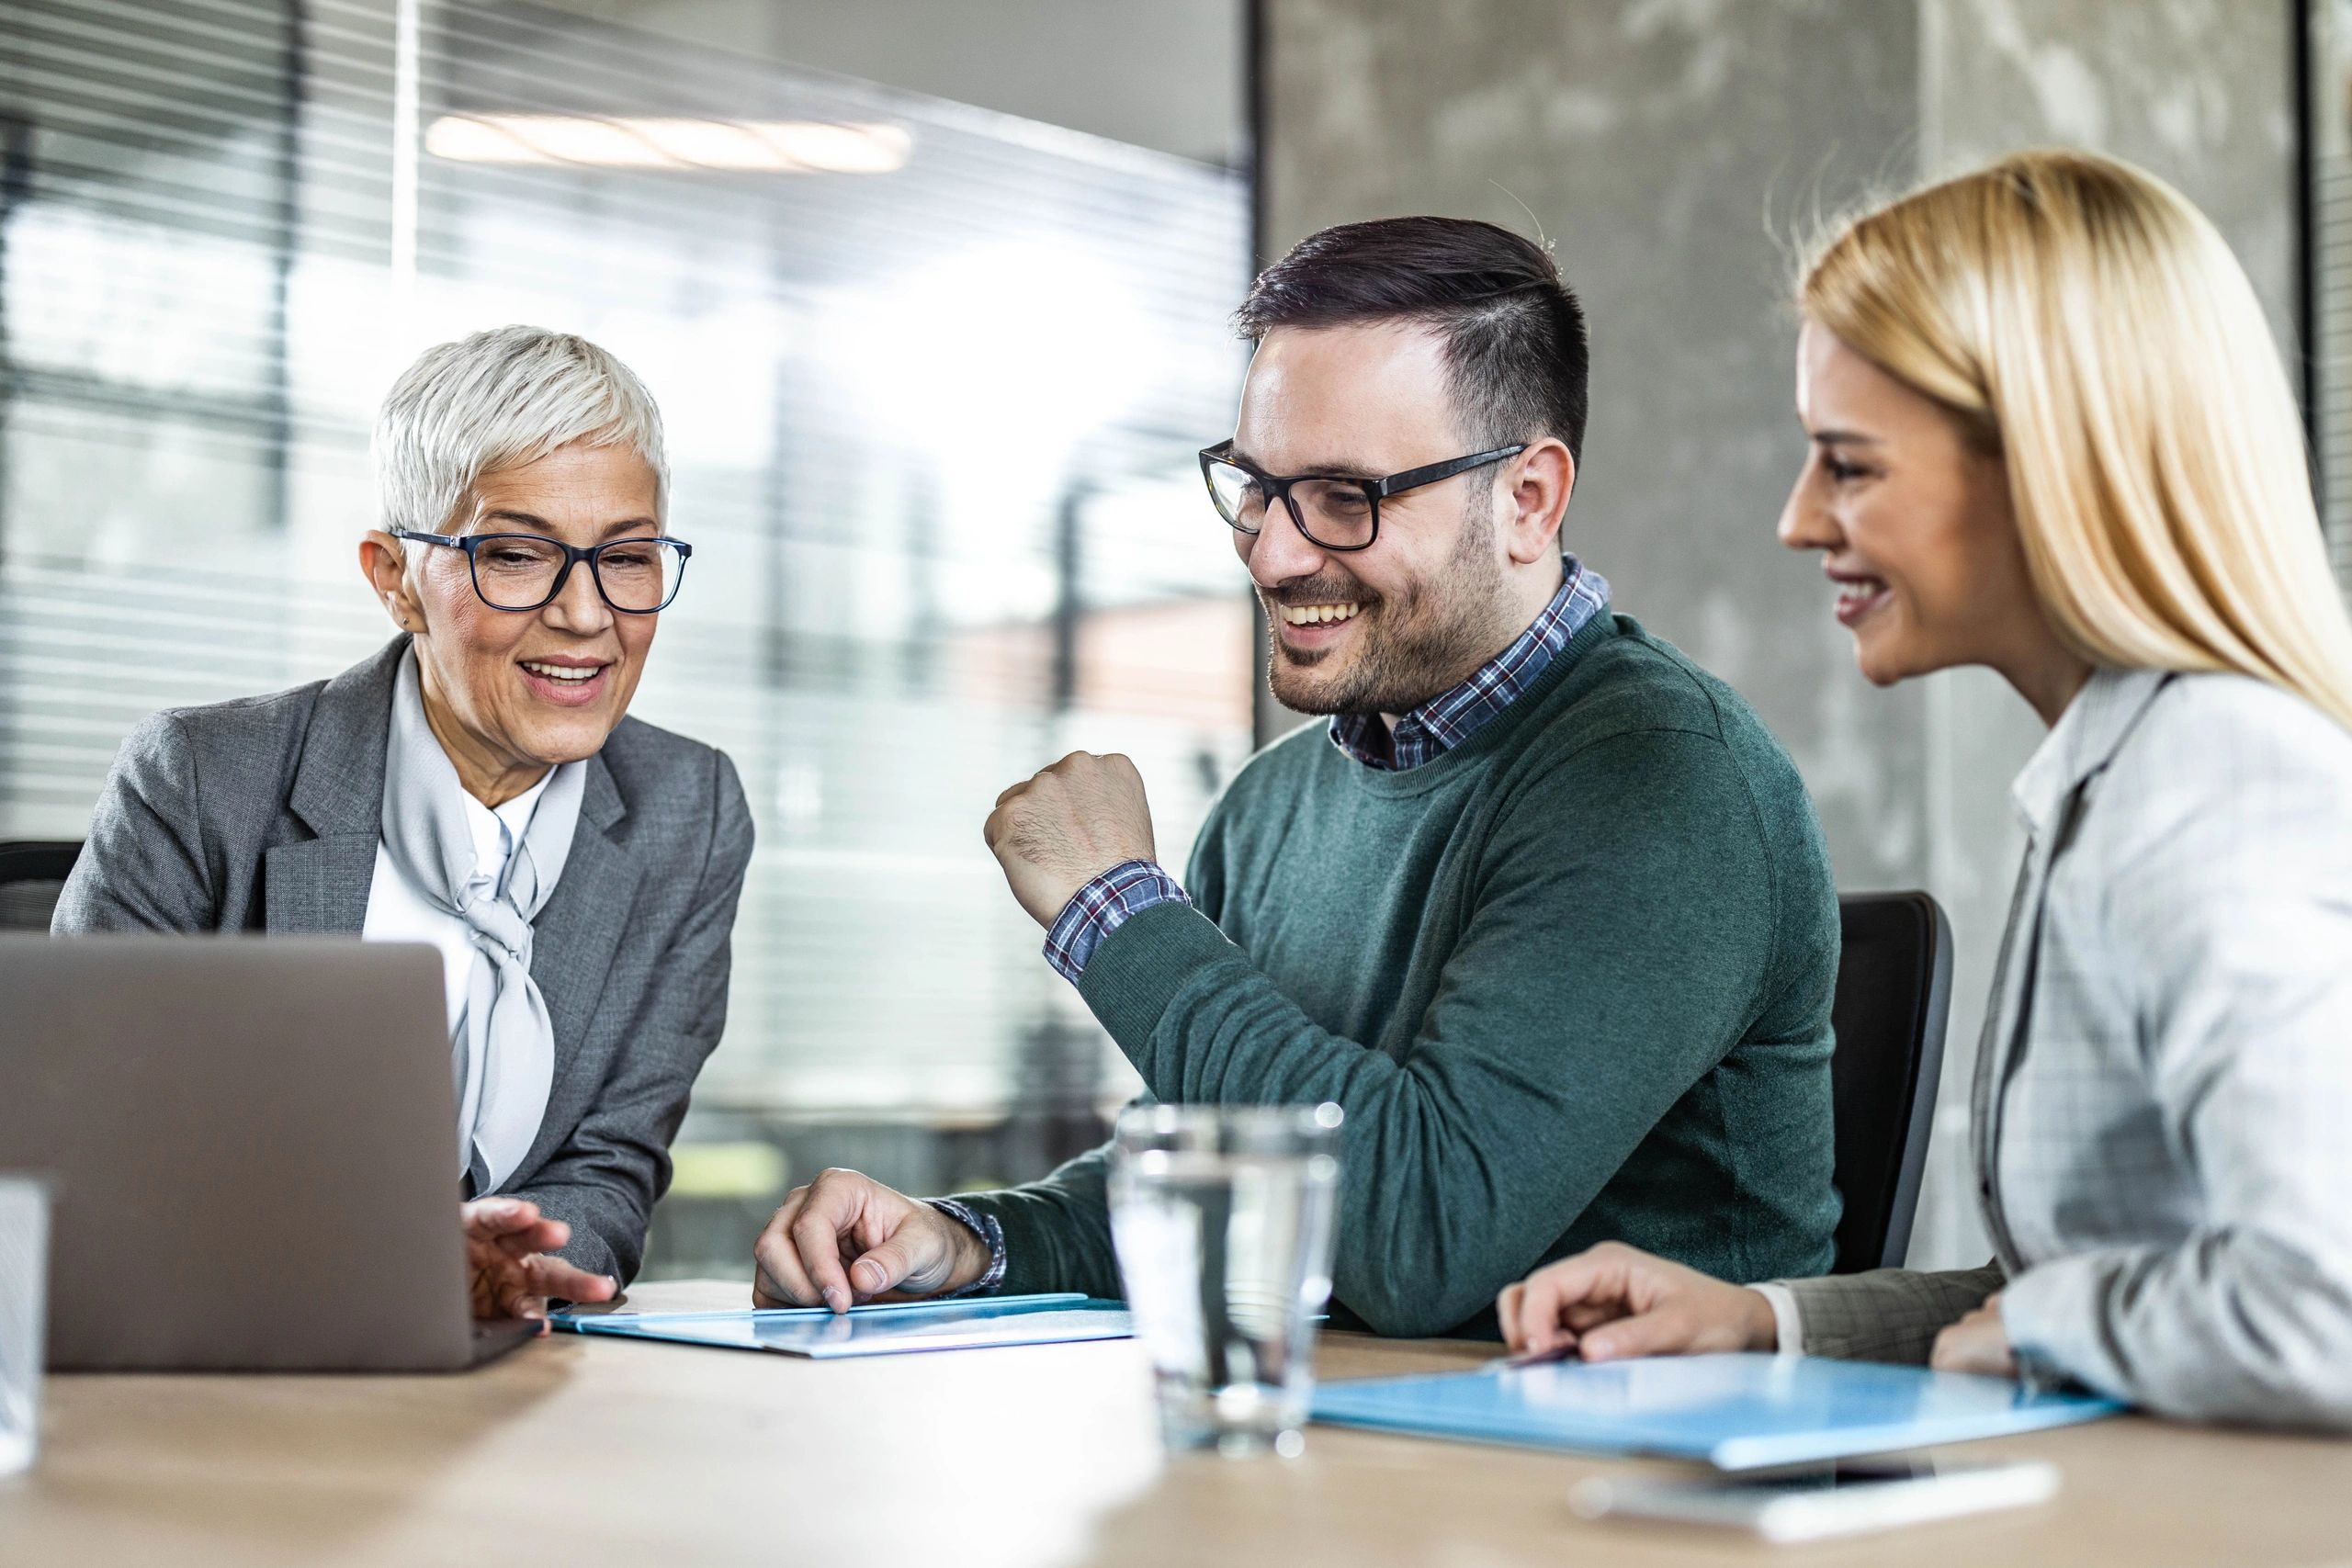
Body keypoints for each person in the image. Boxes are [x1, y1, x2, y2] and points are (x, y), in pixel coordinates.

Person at [752, 217, 1842, 1337]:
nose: (1272, 553)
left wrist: (1115, 912)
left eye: (1344, 497)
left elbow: (1419, 1235)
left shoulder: (1662, 779)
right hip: (1345, 1433)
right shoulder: (1270, 806)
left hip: (1615, 1444)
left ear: (1527, 500)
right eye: (1256, 486)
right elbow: (1216, 1189)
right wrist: (967, 1242)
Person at [1498, 150, 2352, 1428]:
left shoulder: (2212, 779)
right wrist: (1763, 1321)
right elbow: (2077, 1297)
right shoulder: (2117, 772)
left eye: (1848, 465)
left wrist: (2044, 1324)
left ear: (2051, 466)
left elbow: (2323, 1301)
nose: (1797, 519)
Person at [54, 325, 755, 1321]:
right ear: (394, 579)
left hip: (505, 1360)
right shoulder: (202, 780)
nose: (586, 615)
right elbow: (90, 1146)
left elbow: (611, 1162)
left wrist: (510, 1269)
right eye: (517, 554)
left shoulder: (689, 810)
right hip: (231, 1345)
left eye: (628, 557)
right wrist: (385, 1262)